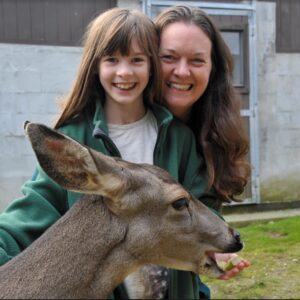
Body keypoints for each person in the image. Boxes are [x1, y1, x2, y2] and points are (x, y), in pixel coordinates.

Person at [0, 7, 220, 300]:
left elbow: (200, 203)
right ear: (95, 66)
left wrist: (216, 244)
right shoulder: (76, 139)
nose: (124, 72)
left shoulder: (176, 137)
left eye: (137, 60)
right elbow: (31, 213)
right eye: (112, 60)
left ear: (152, 66)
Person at [154, 5, 251, 283]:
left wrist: (213, 247)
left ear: (213, 69)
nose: (182, 72)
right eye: (169, 57)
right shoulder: (125, 125)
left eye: (197, 60)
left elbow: (203, 211)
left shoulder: (216, 134)